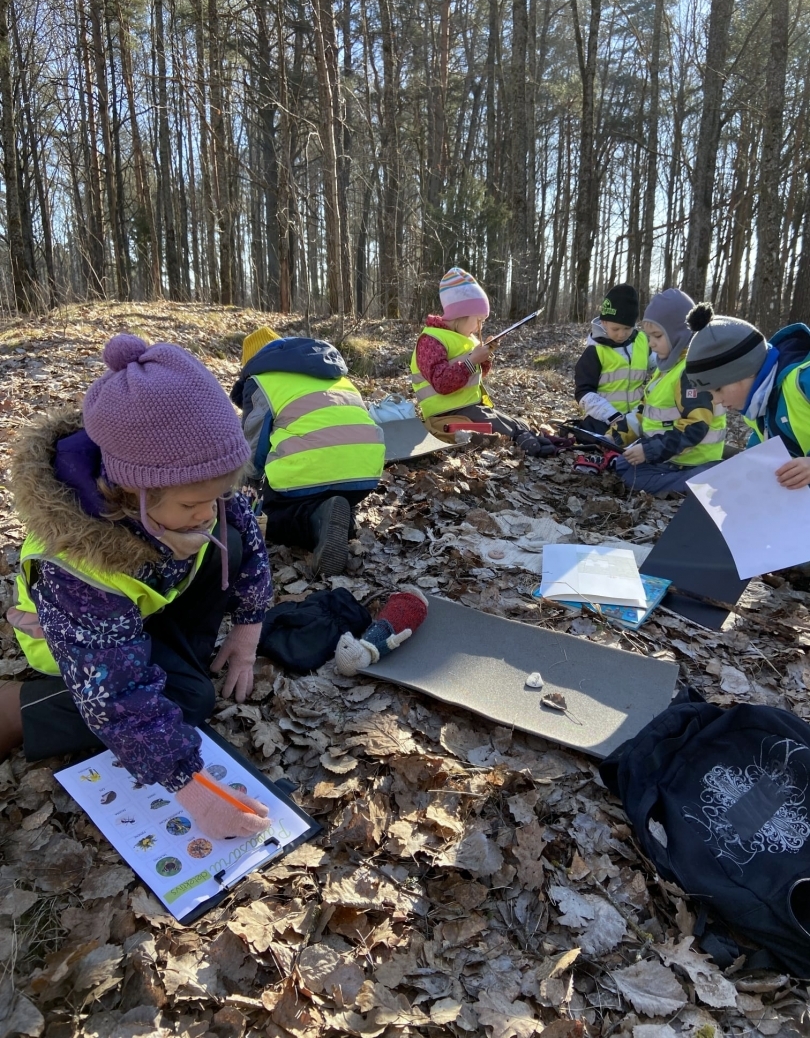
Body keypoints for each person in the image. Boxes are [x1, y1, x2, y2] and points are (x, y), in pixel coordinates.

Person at [1, 334, 273, 840]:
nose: (208, 513)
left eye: (217, 495)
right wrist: (196, 791)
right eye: (194, 504)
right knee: (186, 701)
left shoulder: (196, 484)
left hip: (146, 599)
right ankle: (17, 707)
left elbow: (246, 532)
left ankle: (171, 650)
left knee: (230, 539)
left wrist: (247, 631)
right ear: (133, 491)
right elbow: (118, 694)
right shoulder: (76, 566)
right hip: (73, 637)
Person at [231, 328, 385, 576]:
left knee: (271, 514)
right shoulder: (333, 373)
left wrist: (246, 488)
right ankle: (342, 519)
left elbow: (253, 448)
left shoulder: (260, 381)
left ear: (249, 364)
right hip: (365, 472)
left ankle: (317, 519)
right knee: (327, 487)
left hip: (309, 472)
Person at [410, 267, 557, 456]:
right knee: (491, 423)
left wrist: (485, 356)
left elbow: (475, 376)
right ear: (460, 314)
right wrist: (472, 361)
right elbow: (441, 382)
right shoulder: (431, 340)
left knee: (512, 421)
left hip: (470, 406)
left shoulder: (467, 337)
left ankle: (526, 433)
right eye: (478, 319)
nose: (480, 326)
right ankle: (522, 440)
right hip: (447, 413)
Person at [607, 290, 727, 495]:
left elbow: (695, 427)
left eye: (658, 336)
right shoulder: (667, 369)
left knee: (633, 478)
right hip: (669, 456)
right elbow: (645, 413)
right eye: (648, 336)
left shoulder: (690, 373)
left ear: (679, 334)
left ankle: (703, 480)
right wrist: (615, 437)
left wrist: (649, 450)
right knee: (622, 465)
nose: (651, 343)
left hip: (691, 459)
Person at [685, 306, 810, 490]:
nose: (716, 400)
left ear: (745, 372)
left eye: (718, 389)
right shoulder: (757, 405)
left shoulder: (803, 380)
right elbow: (761, 455)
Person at [573, 284, 648, 434]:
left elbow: (660, 369)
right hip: (604, 420)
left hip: (638, 417)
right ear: (604, 322)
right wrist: (612, 416)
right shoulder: (595, 351)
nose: (622, 334)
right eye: (616, 329)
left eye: (627, 328)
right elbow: (583, 392)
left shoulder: (642, 341)